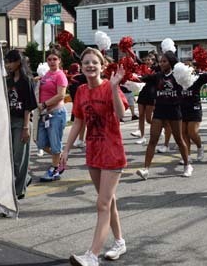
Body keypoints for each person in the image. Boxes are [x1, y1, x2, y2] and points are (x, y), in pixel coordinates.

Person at [61, 47, 128, 266]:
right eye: (86, 62)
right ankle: (119, 241)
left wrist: (115, 85)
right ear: (81, 67)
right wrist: (66, 149)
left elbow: (121, 115)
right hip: (93, 150)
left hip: (112, 151)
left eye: (94, 62)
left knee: (102, 204)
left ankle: (92, 256)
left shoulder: (110, 86)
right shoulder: (80, 91)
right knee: (108, 201)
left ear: (101, 66)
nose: (90, 65)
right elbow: (78, 121)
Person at [136, 51, 193, 179]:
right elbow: (141, 78)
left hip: (174, 110)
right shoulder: (158, 76)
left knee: (179, 139)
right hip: (159, 111)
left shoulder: (178, 75)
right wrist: (126, 76)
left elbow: (188, 84)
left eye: (164, 61)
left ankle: (187, 165)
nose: (161, 63)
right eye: (160, 61)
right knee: (153, 140)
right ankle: (146, 169)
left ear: (171, 62)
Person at [5, 49, 38, 199]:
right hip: (9, 121)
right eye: (6, 62)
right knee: (11, 158)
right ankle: (25, 179)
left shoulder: (26, 80)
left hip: (21, 122)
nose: (8, 65)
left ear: (19, 62)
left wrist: (26, 127)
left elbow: (28, 106)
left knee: (19, 158)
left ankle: (19, 190)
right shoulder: (8, 80)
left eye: (11, 61)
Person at [37, 49, 68, 182]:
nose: (51, 62)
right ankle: (61, 157)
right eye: (49, 59)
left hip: (56, 113)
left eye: (54, 59)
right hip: (45, 115)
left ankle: (54, 169)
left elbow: (61, 95)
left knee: (55, 144)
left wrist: (44, 104)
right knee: (41, 143)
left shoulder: (60, 75)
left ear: (59, 60)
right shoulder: (46, 75)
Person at [180, 69, 207, 162]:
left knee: (192, 132)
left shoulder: (197, 79)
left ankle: (199, 146)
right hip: (182, 108)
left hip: (195, 108)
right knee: (183, 132)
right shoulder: (178, 79)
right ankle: (187, 155)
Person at [130, 55, 158, 145]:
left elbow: (146, 78)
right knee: (141, 115)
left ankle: (160, 127)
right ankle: (142, 136)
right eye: (146, 59)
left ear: (153, 61)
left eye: (149, 59)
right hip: (143, 93)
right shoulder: (142, 68)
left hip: (151, 94)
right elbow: (137, 60)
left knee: (148, 119)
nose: (147, 61)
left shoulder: (156, 70)